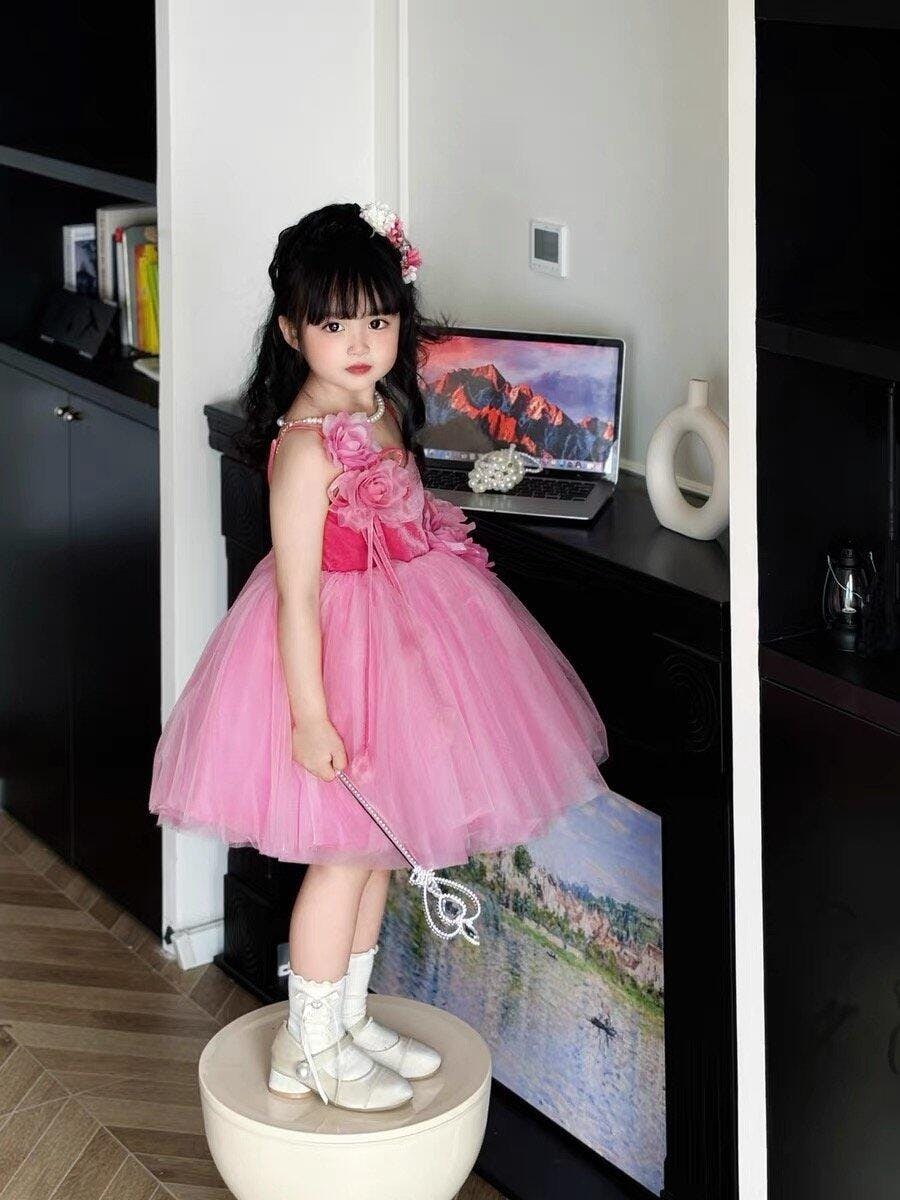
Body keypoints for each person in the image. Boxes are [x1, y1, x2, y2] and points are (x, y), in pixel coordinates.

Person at [148, 200, 617, 1112]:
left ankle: (347, 1019)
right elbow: (296, 594)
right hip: (330, 663)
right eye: (334, 326)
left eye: (378, 319)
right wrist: (310, 716)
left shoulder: (380, 407)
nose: (361, 343)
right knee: (340, 858)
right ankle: (307, 1046)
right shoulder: (305, 450)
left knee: (375, 852)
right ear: (292, 332)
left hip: (399, 649)